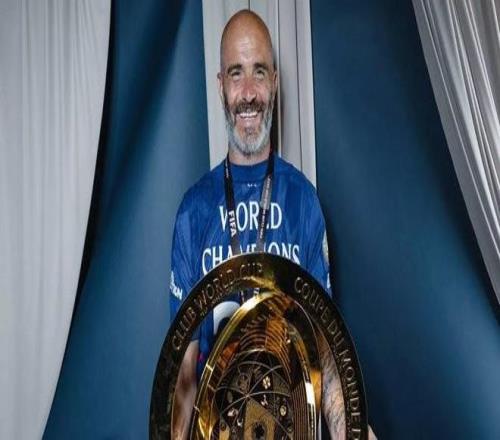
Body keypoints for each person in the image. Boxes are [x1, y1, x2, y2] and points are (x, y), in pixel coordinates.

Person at [168, 9, 375, 439]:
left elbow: (326, 352)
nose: (248, 93)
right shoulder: (193, 212)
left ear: (275, 82)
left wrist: (354, 433)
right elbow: (184, 373)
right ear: (220, 86)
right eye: (236, 73)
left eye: (259, 72)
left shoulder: (303, 203)